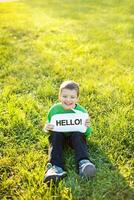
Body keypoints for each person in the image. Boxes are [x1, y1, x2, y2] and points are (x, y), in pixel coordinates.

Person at [43, 80, 96, 183]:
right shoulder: (54, 110)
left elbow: (86, 134)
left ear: (77, 98)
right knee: (55, 136)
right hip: (59, 137)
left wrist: (87, 127)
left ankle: (83, 163)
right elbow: (49, 127)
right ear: (59, 96)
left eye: (72, 97)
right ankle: (55, 167)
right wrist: (47, 128)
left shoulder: (81, 112)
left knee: (78, 135)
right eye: (65, 96)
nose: (68, 100)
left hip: (74, 138)